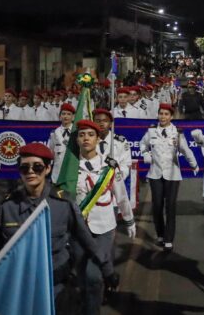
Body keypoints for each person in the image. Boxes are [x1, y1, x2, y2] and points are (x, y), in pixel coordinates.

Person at [0, 143, 118, 307]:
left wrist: (107, 269)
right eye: (24, 168)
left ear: (48, 169)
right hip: (20, 287)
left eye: (37, 167)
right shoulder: (6, 208)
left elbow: (86, 239)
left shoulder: (63, 204)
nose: (31, 172)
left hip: (56, 287)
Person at [73, 120, 136, 315]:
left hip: (104, 227)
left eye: (90, 135)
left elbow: (121, 195)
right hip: (78, 229)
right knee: (82, 277)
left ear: (98, 139)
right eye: (82, 135)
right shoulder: (69, 168)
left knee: (93, 276)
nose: (86, 139)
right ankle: (105, 281)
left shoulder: (109, 166)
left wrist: (129, 220)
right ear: (76, 139)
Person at [140, 103, 199, 251]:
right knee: (157, 205)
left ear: (171, 117)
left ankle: (168, 239)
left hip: (172, 174)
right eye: (161, 114)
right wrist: (146, 155)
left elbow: (185, 150)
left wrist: (194, 165)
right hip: (155, 174)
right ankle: (160, 234)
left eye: (166, 114)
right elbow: (142, 145)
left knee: (170, 206)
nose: (163, 117)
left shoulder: (177, 133)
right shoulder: (151, 131)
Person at [48, 103, 76, 183]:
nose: (66, 116)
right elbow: (52, 152)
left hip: (73, 172)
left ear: (73, 117)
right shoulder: (54, 133)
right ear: (60, 116)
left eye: (68, 114)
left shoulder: (77, 132)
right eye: (63, 114)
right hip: (58, 173)